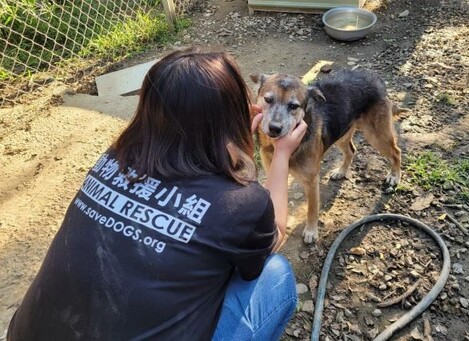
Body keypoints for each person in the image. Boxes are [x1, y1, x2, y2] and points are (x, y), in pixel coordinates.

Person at [7, 47, 307, 340]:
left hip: (28, 332)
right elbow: (276, 233)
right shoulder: (241, 203)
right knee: (275, 273)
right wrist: (281, 155)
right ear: (230, 114)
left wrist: (230, 138)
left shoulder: (115, 157)